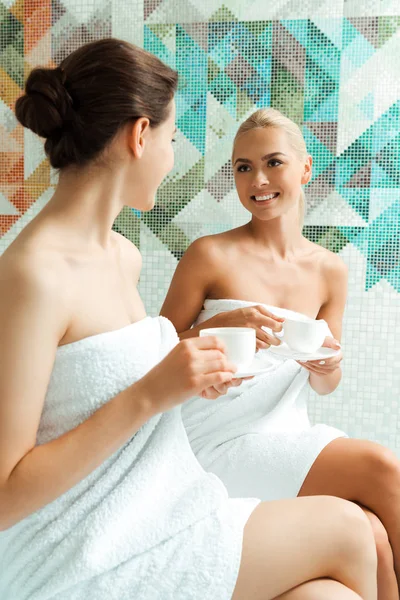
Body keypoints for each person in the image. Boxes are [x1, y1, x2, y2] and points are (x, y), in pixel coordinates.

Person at [0, 39, 377, 600]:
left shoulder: (120, 256)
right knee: (351, 531)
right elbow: (6, 494)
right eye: (173, 139)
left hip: (162, 507)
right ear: (140, 135)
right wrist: (155, 391)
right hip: (82, 550)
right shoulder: (33, 274)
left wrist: (199, 350)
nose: (173, 156)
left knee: (330, 596)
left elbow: (99, 377)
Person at [161, 107, 400, 599]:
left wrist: (328, 365)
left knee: (375, 535)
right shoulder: (209, 255)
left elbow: (326, 381)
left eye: (273, 162)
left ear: (305, 169)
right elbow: (151, 354)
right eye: (243, 167)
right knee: (382, 467)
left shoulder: (329, 270)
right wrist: (223, 325)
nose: (258, 180)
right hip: (217, 439)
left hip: (288, 433)